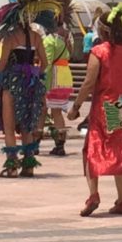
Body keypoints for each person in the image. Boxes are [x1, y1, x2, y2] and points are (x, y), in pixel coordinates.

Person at [0, 0, 74, 177]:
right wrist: (34, 73)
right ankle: (28, 164)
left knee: (9, 127)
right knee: (26, 124)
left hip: (12, 84)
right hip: (31, 85)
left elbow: (1, 64)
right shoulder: (36, 37)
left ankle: (11, 165)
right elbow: (44, 63)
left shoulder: (9, 37)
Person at [67, 3, 122, 217]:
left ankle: (93, 194)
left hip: (106, 105)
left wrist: (76, 107)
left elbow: (89, 82)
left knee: (92, 149)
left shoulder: (99, 51)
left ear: (103, 31)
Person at [39, 10, 74, 156]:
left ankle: (34, 145)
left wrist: (40, 78)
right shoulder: (66, 37)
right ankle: (60, 145)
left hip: (52, 77)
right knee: (57, 113)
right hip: (65, 75)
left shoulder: (49, 39)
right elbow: (70, 55)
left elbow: (47, 61)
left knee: (42, 110)